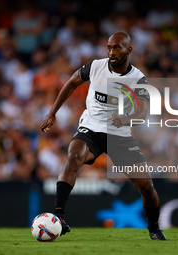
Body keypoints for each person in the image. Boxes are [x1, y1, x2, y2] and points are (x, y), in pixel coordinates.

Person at [40, 32, 167, 241]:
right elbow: (71, 82)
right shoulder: (95, 66)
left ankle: (154, 227)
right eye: (109, 47)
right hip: (91, 128)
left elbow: (142, 111)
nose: (111, 52)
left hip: (120, 135)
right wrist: (52, 112)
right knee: (73, 157)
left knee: (146, 185)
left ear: (129, 50)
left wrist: (125, 120)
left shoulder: (138, 79)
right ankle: (58, 217)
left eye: (117, 47)